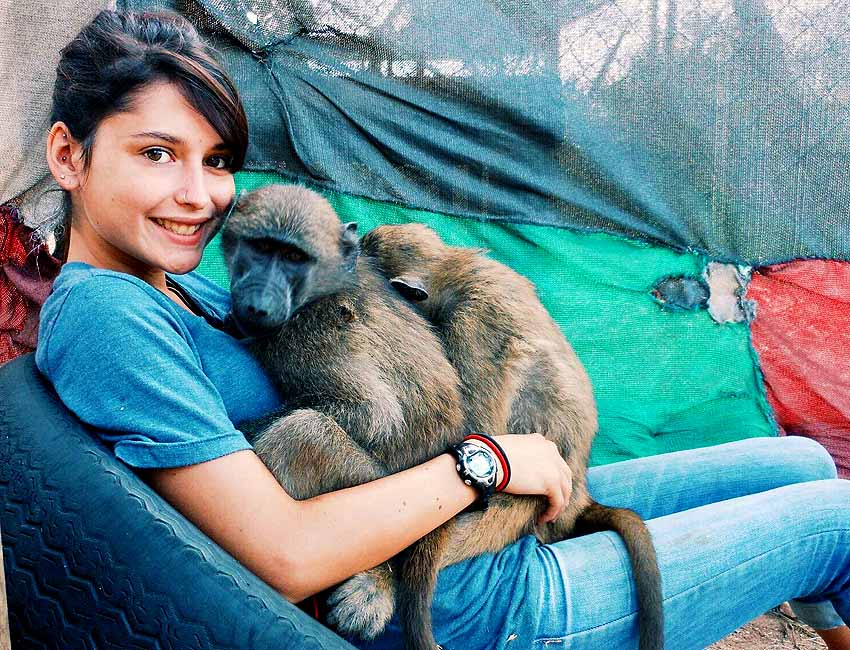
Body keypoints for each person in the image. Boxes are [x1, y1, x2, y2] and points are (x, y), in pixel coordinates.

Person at [35, 9, 850, 650]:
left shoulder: (187, 290)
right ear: (67, 158)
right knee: (841, 522)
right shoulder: (107, 314)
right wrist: (488, 461)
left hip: (476, 533)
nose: (197, 194)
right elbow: (282, 554)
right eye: (155, 153)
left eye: (215, 161)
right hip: (473, 603)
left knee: (808, 460)